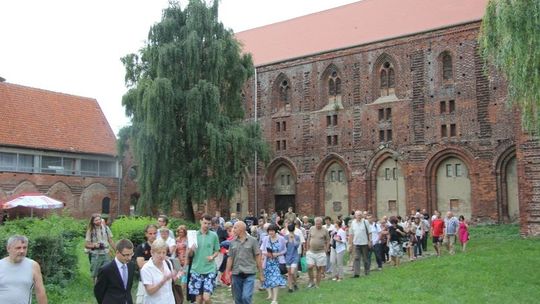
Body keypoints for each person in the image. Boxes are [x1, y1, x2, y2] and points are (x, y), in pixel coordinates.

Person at [0, 235, 47, 304]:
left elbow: (40, 291)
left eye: (24, 248)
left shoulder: (33, 265)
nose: (22, 251)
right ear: (8, 248)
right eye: (18, 248)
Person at [225, 221, 264, 304]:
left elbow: (258, 257)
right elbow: (230, 258)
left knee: (246, 297)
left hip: (249, 273)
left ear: (242, 229)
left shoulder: (253, 241)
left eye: (235, 227)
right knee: (238, 299)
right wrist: (227, 273)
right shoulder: (232, 242)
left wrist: (261, 274)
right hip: (236, 273)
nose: (233, 230)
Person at [187, 214, 220, 304]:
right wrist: (191, 249)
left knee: (206, 297)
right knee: (198, 299)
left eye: (209, 224)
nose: (206, 225)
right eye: (205, 223)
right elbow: (189, 254)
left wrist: (212, 256)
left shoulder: (214, 235)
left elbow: (217, 251)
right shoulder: (194, 235)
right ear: (200, 221)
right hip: (196, 269)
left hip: (209, 269)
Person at [94, 239, 135, 304]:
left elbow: (128, 288)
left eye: (131, 254)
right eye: (126, 255)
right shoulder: (106, 270)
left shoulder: (131, 266)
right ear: (117, 252)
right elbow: (99, 291)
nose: (129, 258)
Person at [140, 239, 179, 304]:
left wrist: (177, 275)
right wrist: (163, 281)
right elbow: (150, 291)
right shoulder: (146, 269)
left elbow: (170, 282)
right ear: (152, 252)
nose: (161, 255)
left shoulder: (168, 263)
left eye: (164, 252)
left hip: (170, 301)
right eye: (159, 252)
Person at [260, 224, 286, 304]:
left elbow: (284, 250)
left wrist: (277, 254)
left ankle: (274, 300)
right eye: (269, 231)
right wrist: (267, 254)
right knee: (268, 279)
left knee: (276, 280)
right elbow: (262, 250)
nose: (270, 233)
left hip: (277, 262)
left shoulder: (281, 239)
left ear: (275, 231)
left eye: (272, 231)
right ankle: (270, 295)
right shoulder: (265, 239)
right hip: (267, 262)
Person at [85, 213, 115, 283]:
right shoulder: (90, 230)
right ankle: (96, 288)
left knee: (107, 271)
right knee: (95, 274)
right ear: (93, 221)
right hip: (96, 255)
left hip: (106, 253)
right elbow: (86, 245)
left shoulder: (106, 228)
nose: (98, 221)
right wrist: (95, 245)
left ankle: (104, 287)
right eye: (96, 220)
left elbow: (110, 241)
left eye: (99, 219)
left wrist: (116, 251)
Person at [134, 224, 158, 304]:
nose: (153, 236)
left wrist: (147, 261)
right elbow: (140, 264)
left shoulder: (162, 247)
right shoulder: (141, 247)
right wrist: (156, 260)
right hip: (144, 279)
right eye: (150, 233)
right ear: (146, 234)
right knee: (140, 301)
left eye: (155, 233)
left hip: (158, 279)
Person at [305, 217, 329, 288]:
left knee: (319, 269)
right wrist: (307, 249)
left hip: (321, 252)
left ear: (322, 223)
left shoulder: (325, 230)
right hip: (311, 251)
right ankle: (311, 282)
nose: (318, 225)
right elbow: (308, 239)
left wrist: (326, 250)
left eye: (319, 224)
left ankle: (317, 285)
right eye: (316, 224)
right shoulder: (312, 228)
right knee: (309, 267)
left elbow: (328, 240)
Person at [348, 210, 371, 277]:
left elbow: (369, 232)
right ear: (355, 216)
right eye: (358, 215)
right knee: (356, 258)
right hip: (356, 243)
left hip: (364, 243)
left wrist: (370, 241)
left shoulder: (365, 222)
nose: (359, 216)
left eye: (360, 215)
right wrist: (350, 244)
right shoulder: (353, 223)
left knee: (365, 259)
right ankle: (356, 273)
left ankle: (367, 272)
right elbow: (351, 234)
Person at [284, 223, 301, 292]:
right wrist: (286, 241)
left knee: (293, 272)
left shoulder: (297, 237)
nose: (291, 232)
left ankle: (295, 283)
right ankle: (290, 287)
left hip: (294, 256)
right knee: (289, 273)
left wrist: (293, 238)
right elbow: (283, 246)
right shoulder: (285, 237)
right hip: (287, 256)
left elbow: (296, 246)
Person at [175, 225, 189, 294]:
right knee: (179, 275)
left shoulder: (187, 239)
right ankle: (182, 291)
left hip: (186, 258)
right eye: (179, 232)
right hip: (178, 259)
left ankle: (182, 292)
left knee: (184, 275)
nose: (181, 233)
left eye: (182, 232)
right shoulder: (177, 239)